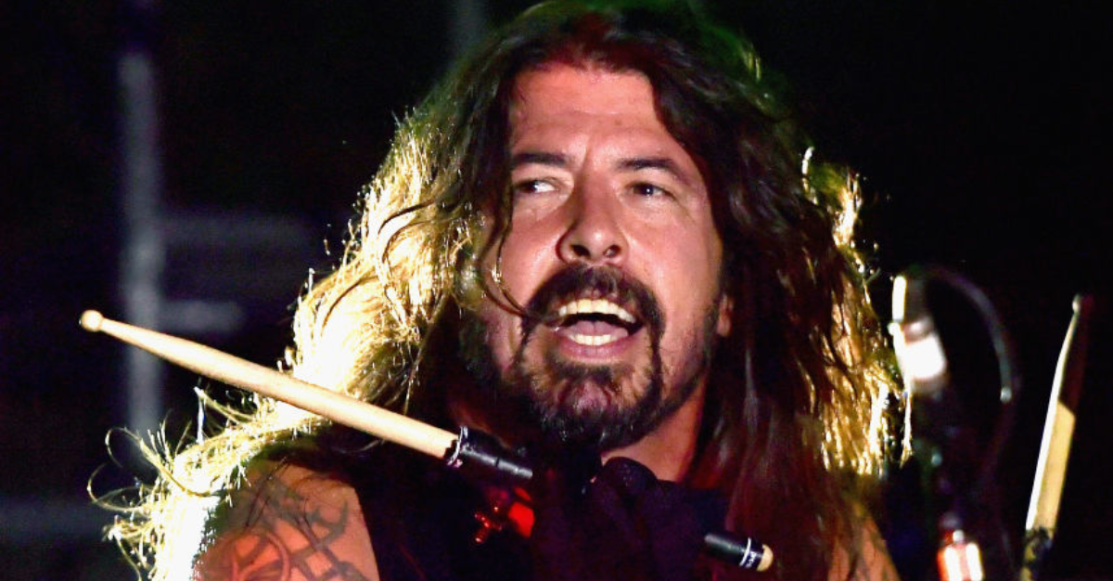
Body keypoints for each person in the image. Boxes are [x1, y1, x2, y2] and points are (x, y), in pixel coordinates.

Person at [102, 2, 907, 580]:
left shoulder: (811, 538)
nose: (593, 231)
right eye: (536, 185)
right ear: (450, 258)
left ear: (732, 286)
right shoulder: (317, 522)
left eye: (648, 188)